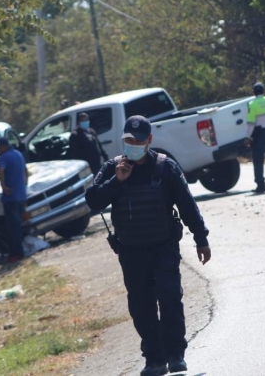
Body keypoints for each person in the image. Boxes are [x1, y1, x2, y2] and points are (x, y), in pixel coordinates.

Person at [85, 115, 211, 376]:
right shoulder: (112, 168)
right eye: (128, 141)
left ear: (149, 140)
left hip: (163, 246)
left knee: (169, 298)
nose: (132, 145)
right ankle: (154, 359)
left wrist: (201, 238)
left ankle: (176, 354)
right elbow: (93, 201)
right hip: (131, 251)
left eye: (138, 140)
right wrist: (116, 181)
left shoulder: (165, 168)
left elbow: (187, 205)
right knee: (141, 306)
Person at [0, 137, 28, 262]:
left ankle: (16, 254)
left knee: (12, 228)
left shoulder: (4, 157)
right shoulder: (18, 154)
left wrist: (4, 187)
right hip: (21, 196)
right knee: (19, 225)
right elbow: (25, 171)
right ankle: (21, 251)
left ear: (2, 146)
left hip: (11, 198)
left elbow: (0, 171)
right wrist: (24, 186)